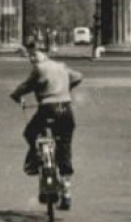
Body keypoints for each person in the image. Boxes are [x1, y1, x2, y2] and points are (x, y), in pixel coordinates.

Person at [9, 38, 83, 210]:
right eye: (30, 56)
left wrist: (16, 96)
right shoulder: (62, 66)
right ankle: (66, 192)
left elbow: (25, 87)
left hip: (47, 108)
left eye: (33, 55)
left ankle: (35, 160)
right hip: (65, 109)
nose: (32, 59)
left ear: (39, 54)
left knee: (30, 133)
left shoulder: (39, 69)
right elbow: (78, 76)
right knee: (64, 147)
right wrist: (66, 87)